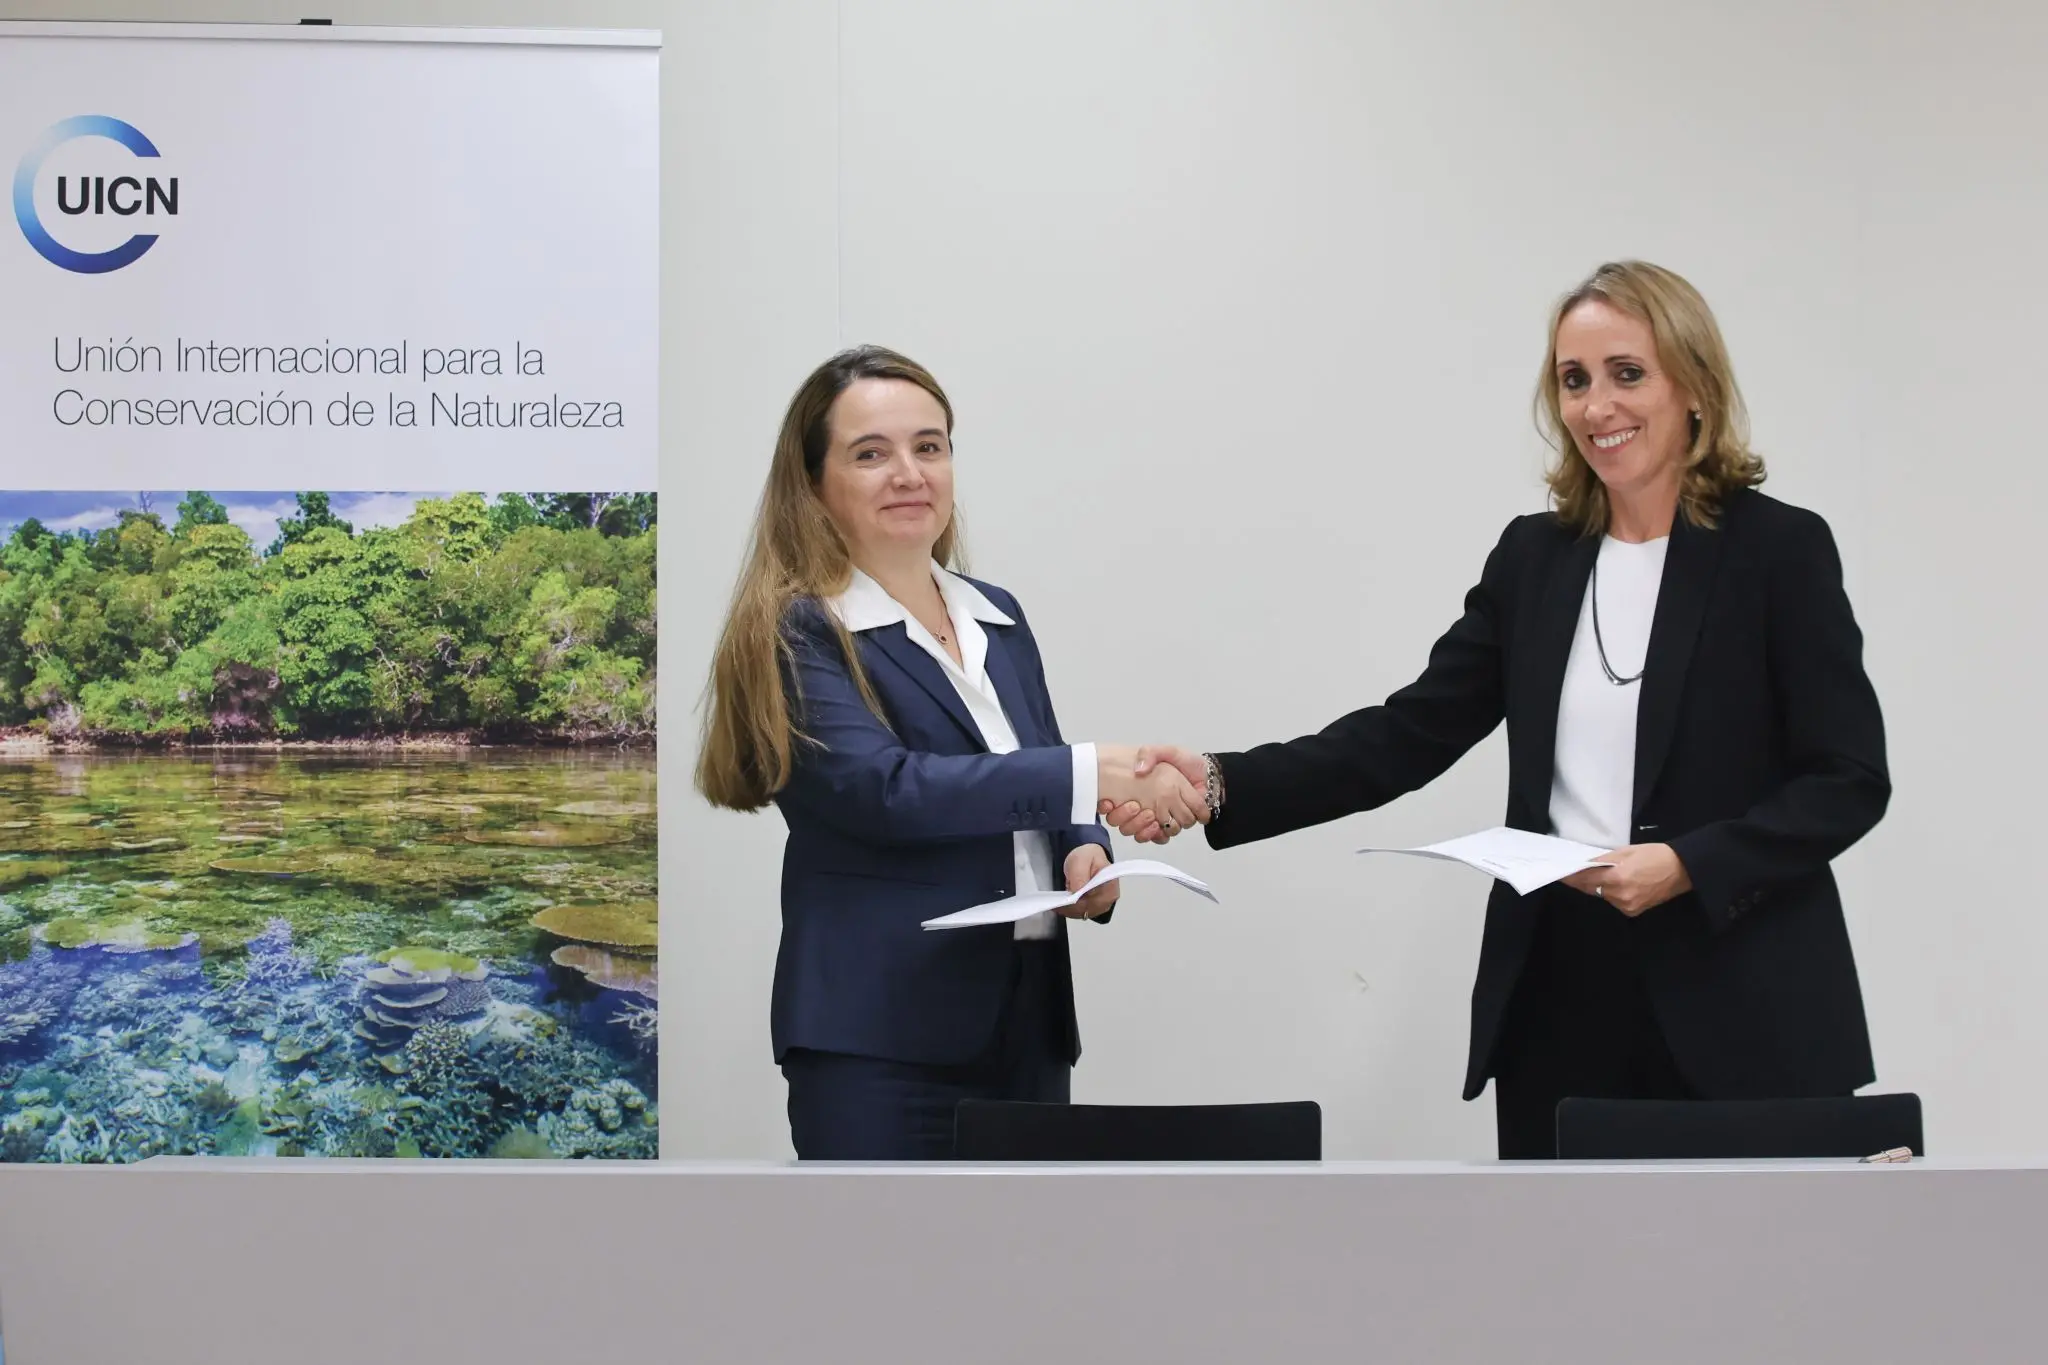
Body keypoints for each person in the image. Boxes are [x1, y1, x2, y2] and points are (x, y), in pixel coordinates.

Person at [1106, 261, 1890, 1159]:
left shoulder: (1780, 551)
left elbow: (1849, 778)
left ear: (1695, 386)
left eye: (1627, 373)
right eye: (1574, 379)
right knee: (1563, 1290)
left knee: (1745, 1292)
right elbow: (1408, 732)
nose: (1598, 406)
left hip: (1742, 997)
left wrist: (1687, 863)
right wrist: (1215, 782)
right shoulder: (1536, 559)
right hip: (1561, 999)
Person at [695, 344, 1203, 1160]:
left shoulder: (997, 614)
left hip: (1028, 1028)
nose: (909, 472)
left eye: (929, 446)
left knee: (1022, 1282)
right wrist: (1092, 771)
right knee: (884, 1283)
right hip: (879, 1041)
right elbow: (887, 790)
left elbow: (1030, 767)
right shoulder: (798, 628)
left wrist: (1086, 855)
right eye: (871, 453)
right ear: (813, 482)